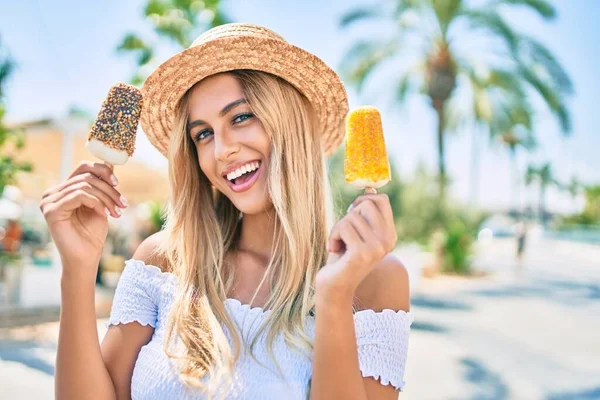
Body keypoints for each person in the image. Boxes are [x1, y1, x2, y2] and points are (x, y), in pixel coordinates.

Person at [41, 23, 412, 399]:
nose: (220, 150)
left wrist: (333, 296)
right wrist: (78, 269)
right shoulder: (163, 261)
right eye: (203, 134)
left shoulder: (375, 281)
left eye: (240, 117)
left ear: (290, 121)